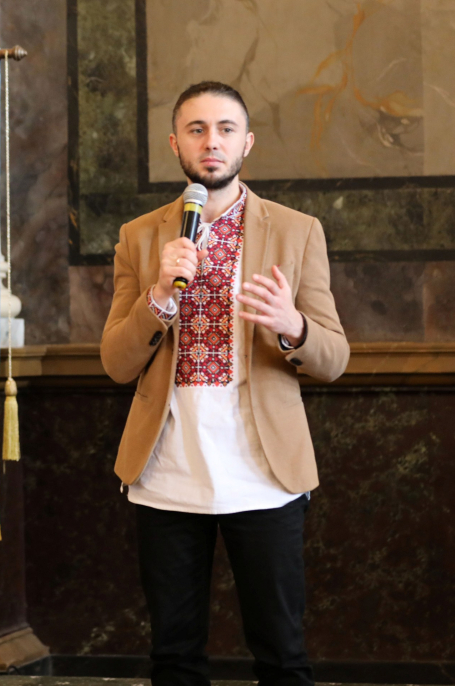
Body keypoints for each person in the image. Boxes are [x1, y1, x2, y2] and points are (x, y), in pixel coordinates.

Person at [101, 82, 349, 686]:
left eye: (225, 129)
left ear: (247, 143)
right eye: (196, 130)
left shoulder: (297, 231)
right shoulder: (140, 236)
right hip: (166, 475)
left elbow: (335, 357)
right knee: (175, 656)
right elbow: (115, 360)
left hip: (263, 475)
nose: (211, 142)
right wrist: (160, 296)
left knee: (283, 655)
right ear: (175, 144)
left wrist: (293, 327)